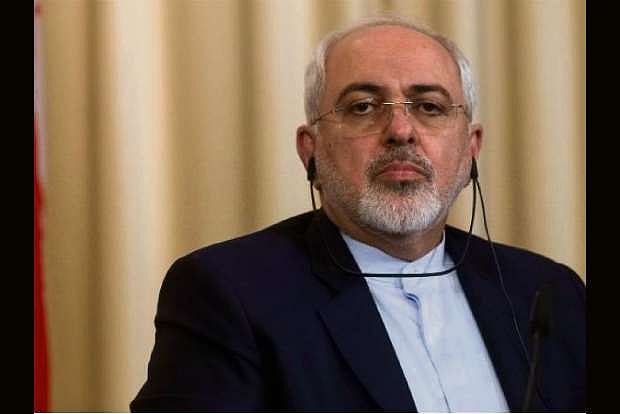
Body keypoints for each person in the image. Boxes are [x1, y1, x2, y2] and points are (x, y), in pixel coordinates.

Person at [131, 15, 585, 412]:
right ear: (311, 150)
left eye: (429, 107)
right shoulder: (228, 294)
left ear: (471, 149)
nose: (401, 131)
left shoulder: (550, 292)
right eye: (363, 107)